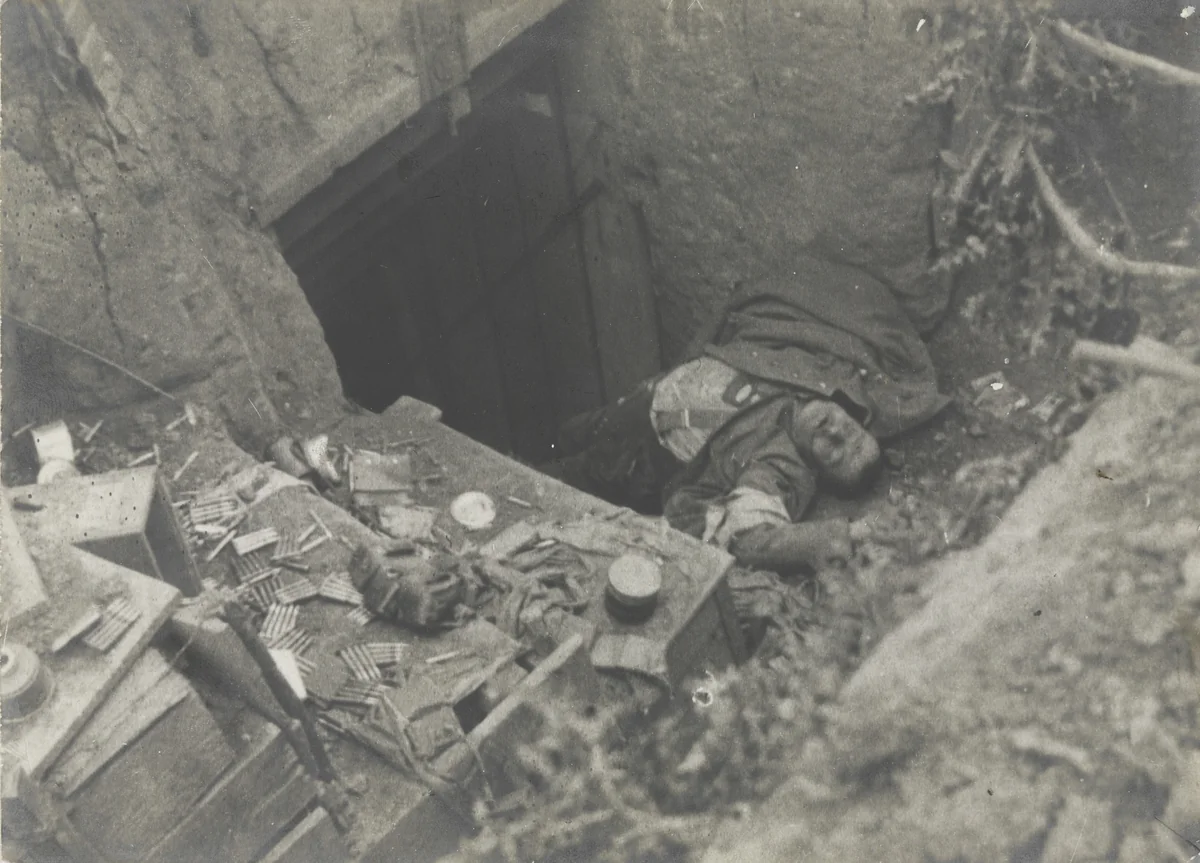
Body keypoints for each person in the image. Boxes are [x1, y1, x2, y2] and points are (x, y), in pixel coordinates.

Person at [542, 255, 950, 573]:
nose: (837, 432)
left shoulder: (779, 465)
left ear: (816, 471)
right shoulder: (825, 382)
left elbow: (755, 539)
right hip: (638, 401)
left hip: (635, 456)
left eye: (835, 453)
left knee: (547, 478)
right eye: (854, 436)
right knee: (564, 430)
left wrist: (851, 534)